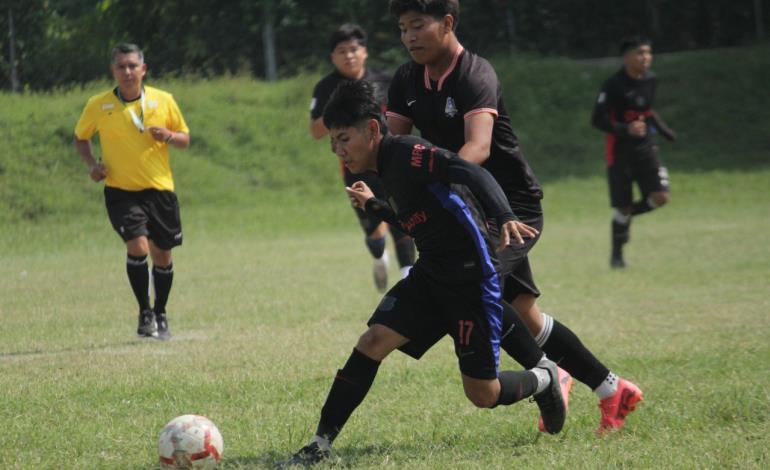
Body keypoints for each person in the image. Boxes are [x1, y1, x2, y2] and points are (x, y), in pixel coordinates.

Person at [386, 0, 642, 434]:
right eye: (402, 28)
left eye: (418, 25)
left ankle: (550, 374)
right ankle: (611, 389)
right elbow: (391, 148)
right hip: (465, 210)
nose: (409, 36)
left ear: (447, 23)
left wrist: (437, 188)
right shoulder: (407, 78)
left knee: (465, 289)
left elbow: (478, 149)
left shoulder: (474, 74)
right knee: (524, 313)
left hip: (511, 210)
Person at [279, 80, 567, 467]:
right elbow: (413, 219)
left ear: (373, 130)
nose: (338, 150)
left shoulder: (408, 152)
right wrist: (375, 207)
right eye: (333, 141)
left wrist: (505, 216)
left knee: (482, 393)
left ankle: (547, 378)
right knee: (372, 341)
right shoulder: (384, 170)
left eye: (344, 138)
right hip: (432, 272)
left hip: (468, 276)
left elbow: (469, 171)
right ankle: (320, 444)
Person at [73, 43, 190, 340]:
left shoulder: (164, 101)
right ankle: (144, 312)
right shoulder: (98, 105)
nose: (127, 72)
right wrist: (92, 165)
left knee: (162, 255)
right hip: (121, 190)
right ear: (113, 71)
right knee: (138, 247)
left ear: (143, 69)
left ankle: (161, 312)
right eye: (121, 66)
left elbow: (185, 138)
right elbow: (80, 138)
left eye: (132, 66)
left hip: (160, 188)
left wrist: (169, 136)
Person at [309, 23, 416, 291]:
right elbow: (315, 131)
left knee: (402, 220)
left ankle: (408, 281)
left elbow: (402, 118)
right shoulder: (326, 88)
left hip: (390, 161)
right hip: (355, 166)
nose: (349, 56)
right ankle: (380, 258)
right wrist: (344, 111)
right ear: (332, 57)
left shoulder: (384, 81)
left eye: (354, 49)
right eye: (341, 51)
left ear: (365, 52)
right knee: (373, 229)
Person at [591, 35, 676, 268]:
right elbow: (597, 119)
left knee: (661, 197)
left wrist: (665, 131)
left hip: (646, 147)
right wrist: (624, 128)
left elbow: (647, 111)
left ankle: (623, 220)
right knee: (623, 205)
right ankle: (617, 256)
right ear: (626, 57)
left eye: (648, 53)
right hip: (619, 152)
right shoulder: (613, 84)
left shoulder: (651, 79)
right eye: (640, 53)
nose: (646, 58)